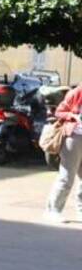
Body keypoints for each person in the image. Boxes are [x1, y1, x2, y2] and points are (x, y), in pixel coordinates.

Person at [45, 84, 82, 223]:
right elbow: (59, 112)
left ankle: (81, 210)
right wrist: (73, 115)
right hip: (74, 137)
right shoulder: (77, 92)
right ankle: (53, 210)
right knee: (67, 177)